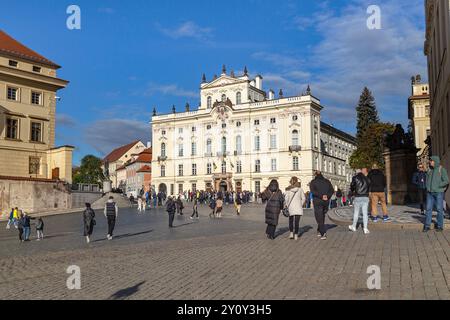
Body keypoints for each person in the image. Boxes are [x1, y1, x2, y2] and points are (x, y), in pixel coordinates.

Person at [423, 156, 449, 232]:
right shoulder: (430, 170)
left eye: (431, 161)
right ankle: (427, 226)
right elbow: (427, 179)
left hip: (438, 193)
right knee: (428, 209)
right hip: (429, 193)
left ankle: (440, 226)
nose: (430, 162)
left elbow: (446, 181)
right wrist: (427, 187)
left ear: (435, 161)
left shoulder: (441, 169)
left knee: (439, 209)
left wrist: (439, 185)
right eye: (430, 161)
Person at [310, 171, 334, 240]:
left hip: (318, 200)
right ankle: (319, 229)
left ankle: (323, 233)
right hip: (326, 201)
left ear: (315, 175)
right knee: (322, 215)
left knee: (318, 216)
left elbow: (313, 191)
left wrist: (321, 196)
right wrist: (327, 196)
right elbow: (331, 190)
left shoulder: (313, 182)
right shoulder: (327, 181)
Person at [349, 168, 371, 234]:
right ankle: (365, 228)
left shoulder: (355, 177)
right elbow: (369, 187)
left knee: (356, 213)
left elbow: (352, 186)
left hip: (358, 196)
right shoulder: (367, 178)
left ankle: (354, 226)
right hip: (365, 197)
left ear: (356, 172)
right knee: (365, 214)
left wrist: (353, 191)